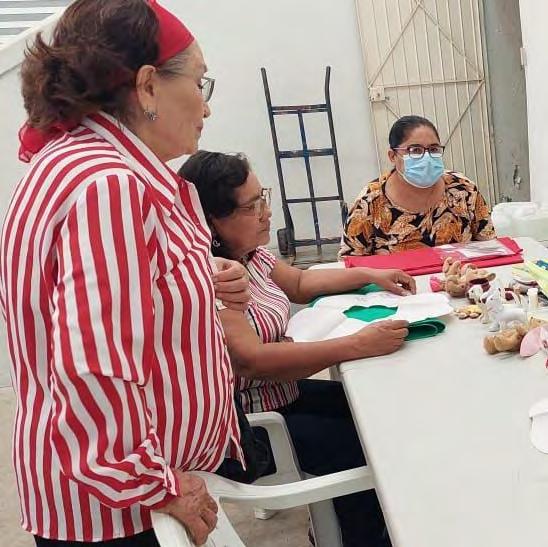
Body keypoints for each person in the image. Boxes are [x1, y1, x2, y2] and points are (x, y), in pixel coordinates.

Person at [0, 2, 252, 545]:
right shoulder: (108, 186)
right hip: (123, 513)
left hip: (118, 497)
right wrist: (156, 486)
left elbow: (103, 299)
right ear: (147, 86)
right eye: (199, 82)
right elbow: (93, 370)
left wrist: (197, 275)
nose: (206, 106)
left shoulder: (78, 165)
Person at [180, 150, 416, 547]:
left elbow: (301, 285)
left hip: (283, 395)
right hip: (255, 425)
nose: (266, 213)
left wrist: (371, 273)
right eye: (252, 207)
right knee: (366, 448)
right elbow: (254, 361)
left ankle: (353, 525)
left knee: (380, 413)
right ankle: (356, 536)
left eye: (263, 198)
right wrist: (357, 344)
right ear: (213, 221)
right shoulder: (216, 278)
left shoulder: (250, 257)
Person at [340, 115, 495, 257]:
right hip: (399, 279)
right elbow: (351, 263)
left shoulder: (463, 189)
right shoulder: (370, 202)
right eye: (415, 150)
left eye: (433, 149)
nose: (426, 157)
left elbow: (491, 246)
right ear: (393, 156)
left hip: (460, 276)